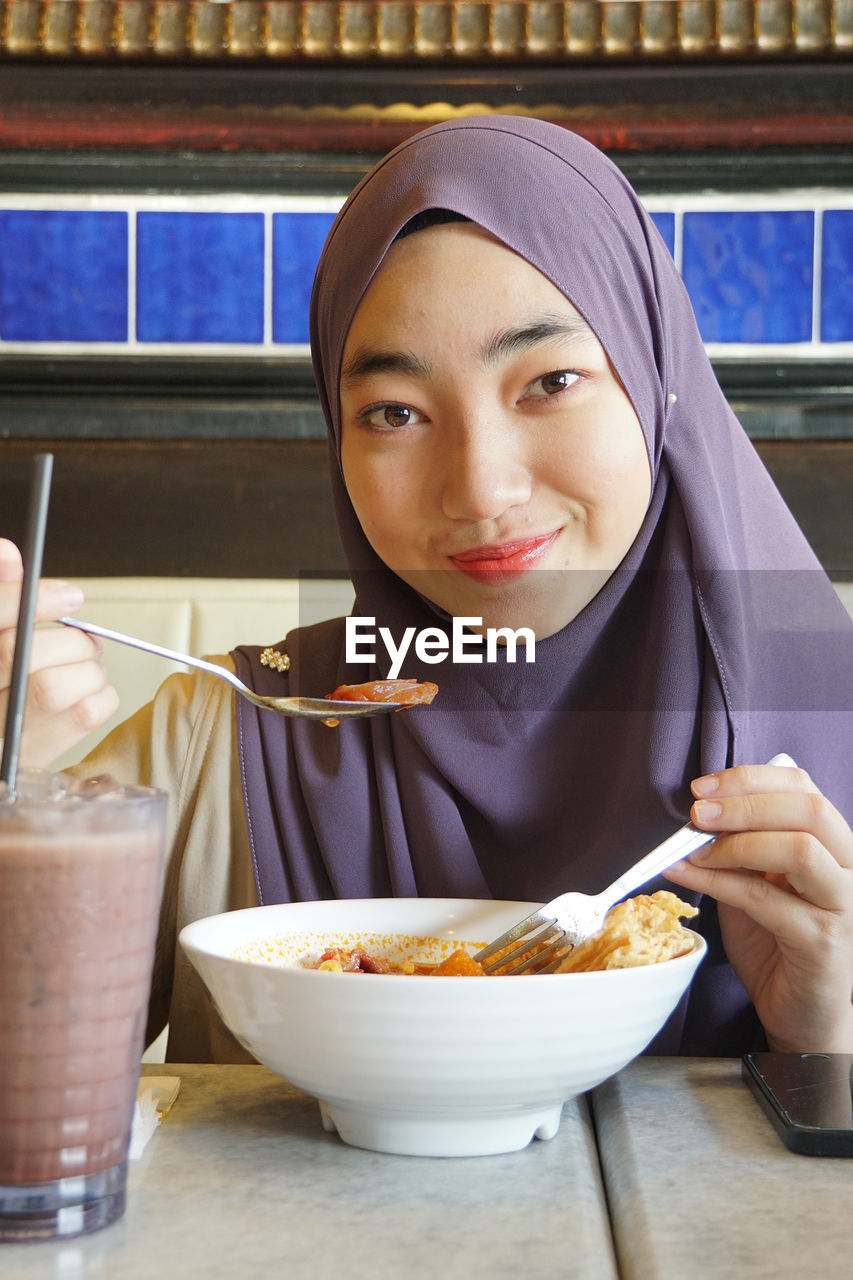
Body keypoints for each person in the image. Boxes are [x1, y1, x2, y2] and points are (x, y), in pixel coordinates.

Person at [2, 116, 852, 1063]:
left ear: (656, 388)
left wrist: (826, 1044)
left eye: (551, 380)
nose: (480, 488)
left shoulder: (828, 745)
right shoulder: (220, 744)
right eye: (395, 412)